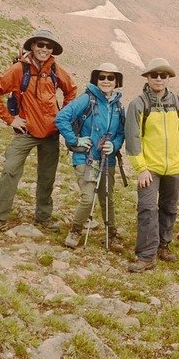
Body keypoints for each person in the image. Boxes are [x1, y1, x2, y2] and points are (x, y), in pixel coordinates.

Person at [0, 30, 77, 235]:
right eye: (40, 45)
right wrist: (10, 119)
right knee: (10, 170)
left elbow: (71, 90)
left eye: (48, 46)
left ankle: (43, 217)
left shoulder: (56, 70)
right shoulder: (18, 69)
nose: (44, 49)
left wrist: (64, 116)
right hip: (25, 131)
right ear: (32, 46)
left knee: (47, 176)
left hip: (51, 132)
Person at [125, 58, 179, 272]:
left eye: (163, 75)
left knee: (169, 208)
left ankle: (163, 246)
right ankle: (146, 256)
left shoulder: (178, 102)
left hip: (175, 167)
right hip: (150, 168)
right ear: (147, 77)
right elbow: (133, 138)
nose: (158, 79)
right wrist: (141, 168)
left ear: (168, 79)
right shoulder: (138, 104)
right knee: (147, 208)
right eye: (154, 75)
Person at [54, 62, 126, 251]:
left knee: (107, 197)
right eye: (102, 77)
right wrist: (75, 140)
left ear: (117, 81)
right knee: (88, 197)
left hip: (107, 160)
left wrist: (115, 145)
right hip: (87, 159)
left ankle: (112, 234)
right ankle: (76, 230)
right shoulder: (87, 99)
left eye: (110, 77)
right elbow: (61, 118)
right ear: (96, 79)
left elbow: (121, 133)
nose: (106, 81)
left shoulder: (118, 106)